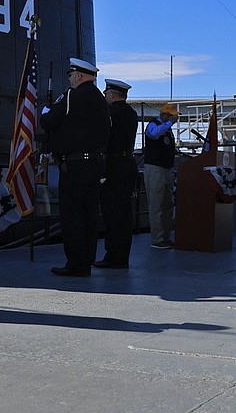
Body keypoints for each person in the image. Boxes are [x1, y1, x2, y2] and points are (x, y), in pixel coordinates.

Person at [40, 58, 110, 277]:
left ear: (79, 76)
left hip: (75, 166)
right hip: (96, 165)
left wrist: (45, 111)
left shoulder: (71, 96)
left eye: (71, 75)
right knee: (90, 215)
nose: (69, 79)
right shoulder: (101, 100)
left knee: (73, 216)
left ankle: (76, 264)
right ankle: (87, 259)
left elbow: (48, 122)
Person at [95, 78, 139, 269]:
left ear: (112, 94)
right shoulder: (131, 113)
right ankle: (122, 256)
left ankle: (113, 256)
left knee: (112, 213)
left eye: (106, 93)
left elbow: (104, 139)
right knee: (124, 213)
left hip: (113, 166)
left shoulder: (109, 114)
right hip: (127, 164)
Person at [142, 102, 179, 249]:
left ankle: (166, 236)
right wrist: (169, 123)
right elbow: (153, 134)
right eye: (172, 117)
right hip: (155, 168)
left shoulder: (168, 130)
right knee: (156, 205)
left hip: (167, 168)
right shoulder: (153, 125)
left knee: (166, 204)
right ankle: (157, 238)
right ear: (165, 114)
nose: (174, 120)